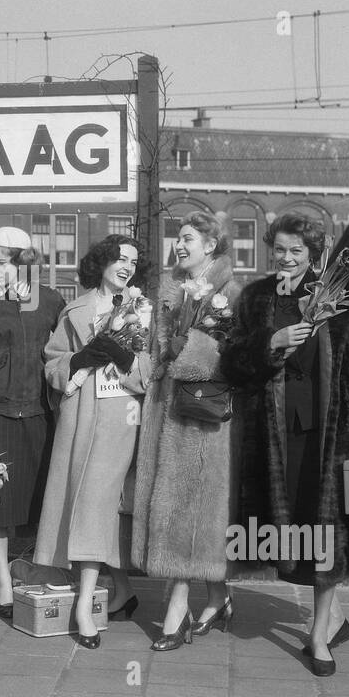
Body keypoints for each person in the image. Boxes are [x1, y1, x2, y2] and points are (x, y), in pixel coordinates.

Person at [222, 212, 349, 676]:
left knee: (331, 535)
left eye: (296, 251)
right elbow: (234, 366)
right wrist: (271, 342)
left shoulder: (347, 299)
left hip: (333, 436)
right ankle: (334, 618)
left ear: (315, 253)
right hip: (276, 438)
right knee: (290, 533)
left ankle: (319, 635)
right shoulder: (257, 298)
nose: (285, 259)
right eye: (279, 250)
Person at [132, 211, 242, 651]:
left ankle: (176, 610)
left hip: (202, 418)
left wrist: (190, 349)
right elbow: (154, 350)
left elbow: (233, 358)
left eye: (188, 238)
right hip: (165, 410)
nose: (179, 245)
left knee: (185, 505)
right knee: (177, 501)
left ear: (211, 245)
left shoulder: (231, 293)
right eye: (178, 238)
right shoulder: (168, 290)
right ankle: (218, 596)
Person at [33, 234, 150, 648]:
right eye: (120, 258)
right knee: (89, 503)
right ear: (101, 262)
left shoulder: (145, 312)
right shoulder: (76, 309)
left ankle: (88, 602)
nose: (126, 266)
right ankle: (111, 595)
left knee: (105, 504)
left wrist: (125, 359)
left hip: (123, 420)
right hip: (81, 416)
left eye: (133, 262)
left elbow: (151, 374)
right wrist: (78, 361)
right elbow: (52, 363)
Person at [0, 227, 65, 619]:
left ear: (23, 260)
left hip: (39, 413)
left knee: (38, 500)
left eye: (0, 261)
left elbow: (63, 354)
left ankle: (34, 571)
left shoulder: (52, 301)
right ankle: (4, 579)